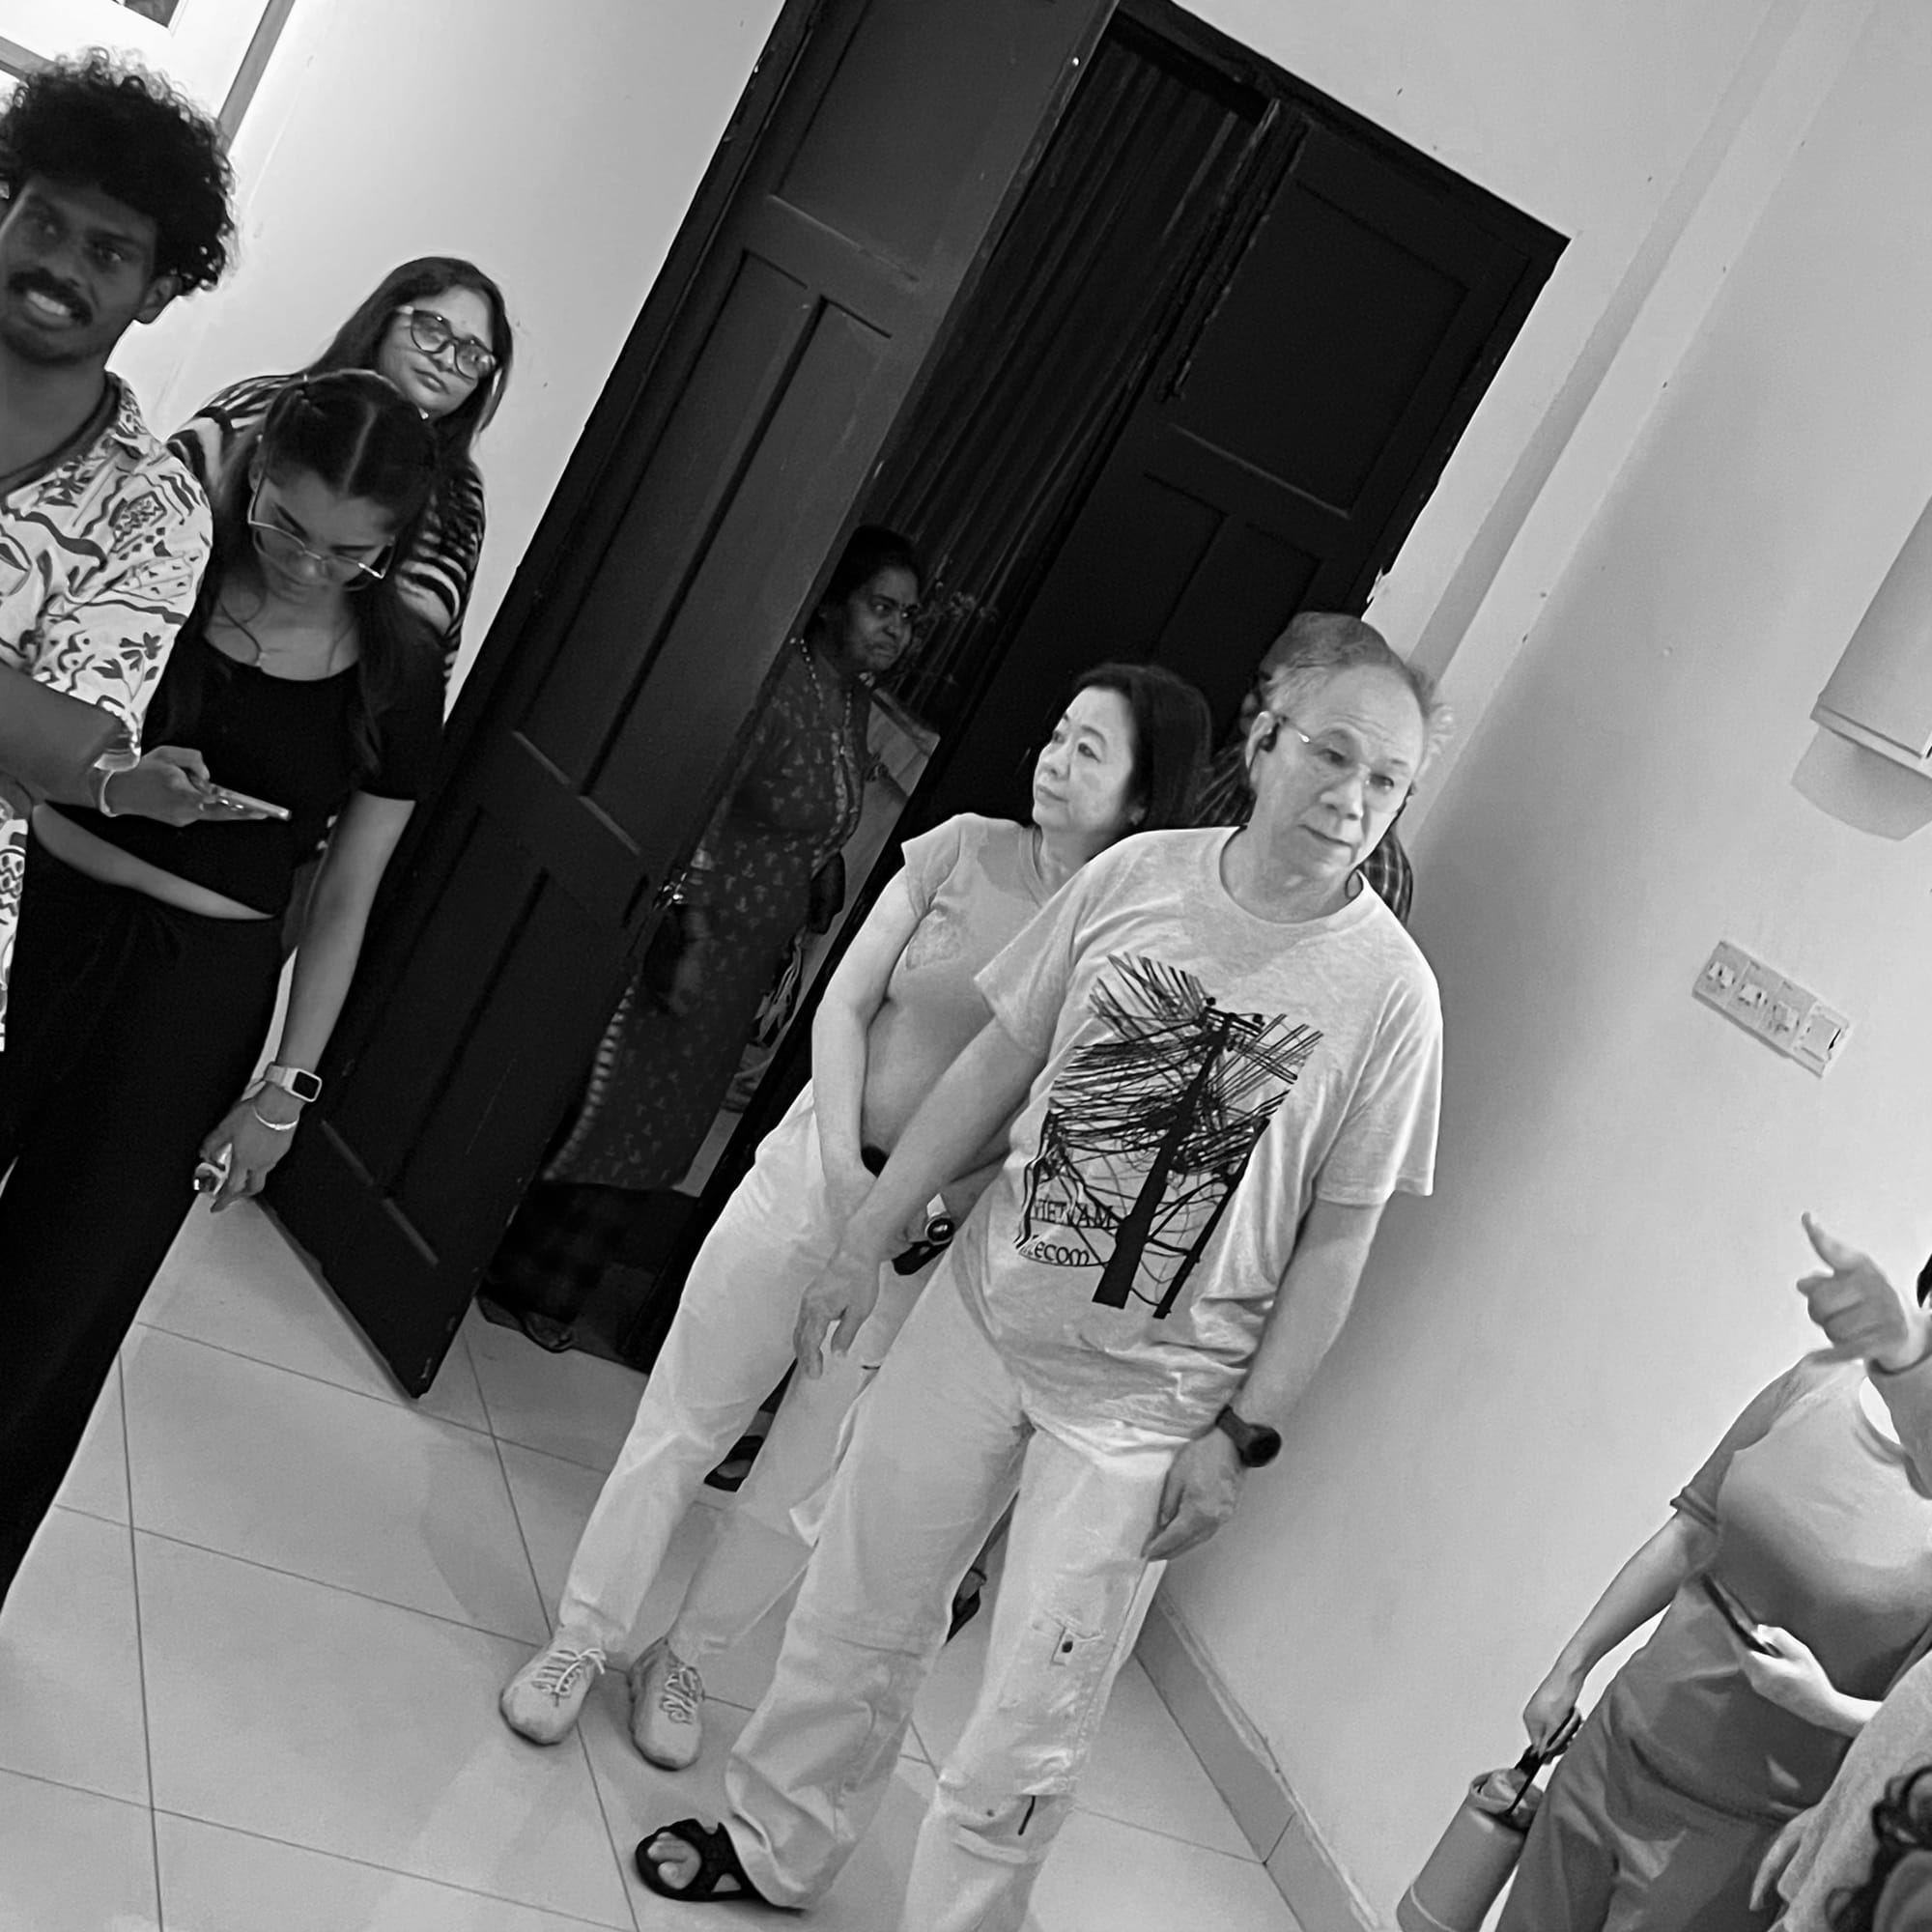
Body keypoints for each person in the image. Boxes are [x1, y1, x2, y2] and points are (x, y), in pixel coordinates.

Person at [636, 623, 1446, 1920]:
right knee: (855, 1607)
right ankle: (775, 1843)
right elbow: (993, 1065)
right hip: (983, 1315)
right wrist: (865, 1233)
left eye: (1388, 778)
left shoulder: (1391, 996)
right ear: (1264, 742)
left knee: (1029, 1724)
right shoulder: (1132, 877)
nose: (1353, 798)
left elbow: (1336, 1242)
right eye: (1332, 755)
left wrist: (1240, 1439)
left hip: (1149, 1410)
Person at [498, 661, 1212, 1765]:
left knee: (799, 1484)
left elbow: (1055, 1117)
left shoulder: (1124, 947)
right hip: (815, 1168)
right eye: (1056, 733)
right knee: (684, 1418)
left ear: (1140, 797)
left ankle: (684, 1657)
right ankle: (582, 1636)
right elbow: (844, 998)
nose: (1053, 760)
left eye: (1089, 750)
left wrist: (927, 1204)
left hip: (928, 1241)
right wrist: (842, 1165)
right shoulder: (959, 849)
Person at [0, 371, 443, 1609]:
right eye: (286, 523)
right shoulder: (166, 571)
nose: (307, 564)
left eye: (349, 550)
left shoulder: (398, 670)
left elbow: (346, 897)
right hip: (39, 915)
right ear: (257, 472)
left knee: (57, 1306)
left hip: (191, 995)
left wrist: (285, 1090)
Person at [481, 526, 923, 1353]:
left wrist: (820, 871)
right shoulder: (783, 684)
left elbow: (815, 816)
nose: (895, 629)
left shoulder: (849, 700)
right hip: (701, 937)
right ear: (833, 604)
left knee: (672, 1126)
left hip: (749, 959)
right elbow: (713, 810)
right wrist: (689, 929)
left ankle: (564, 1289)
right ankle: (516, 1272)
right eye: (881, 607)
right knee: (617, 1105)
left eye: (907, 616)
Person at [1499, 1215, 1932, 1932]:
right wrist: (1570, 1668)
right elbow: (1688, 1534)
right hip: (1620, 1741)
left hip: (1740, 1831)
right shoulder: (1815, 1383)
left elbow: (1919, 1726)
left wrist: (1824, 1706)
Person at [0, 50, 233, 1045]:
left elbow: (64, 748)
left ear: (156, 290)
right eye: (45, 222)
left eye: (107, 251)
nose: (61, 267)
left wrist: (34, 731)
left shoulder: (154, 505)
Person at [173, 255, 513, 676]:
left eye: (473, 355)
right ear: (384, 317)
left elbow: (432, 656)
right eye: (433, 330)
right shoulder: (259, 409)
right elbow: (146, 522)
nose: (447, 359)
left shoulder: (460, 499)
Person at [1193, 611, 1415, 923]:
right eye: (1260, 685)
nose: (1249, 706)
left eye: (1274, 695)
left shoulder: (1372, 872)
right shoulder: (1242, 760)